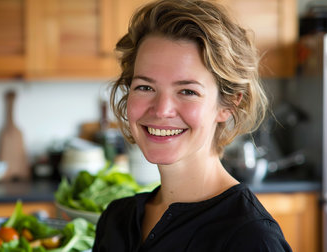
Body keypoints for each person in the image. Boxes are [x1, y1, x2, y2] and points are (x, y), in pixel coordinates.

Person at [93, 0, 292, 251]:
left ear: (228, 103)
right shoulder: (116, 220)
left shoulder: (250, 237)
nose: (162, 109)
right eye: (145, 87)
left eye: (187, 91)